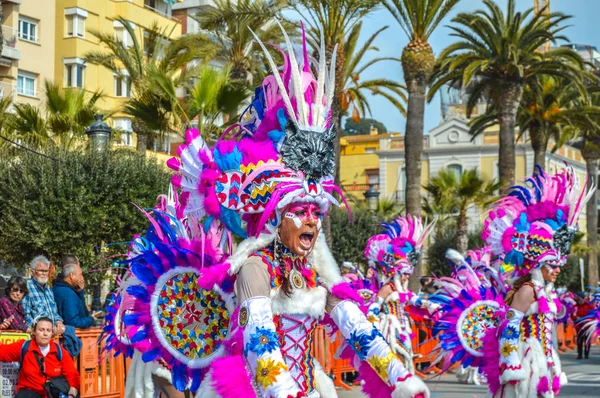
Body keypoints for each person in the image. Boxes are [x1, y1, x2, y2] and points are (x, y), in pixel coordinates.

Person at [108, 23, 430, 398]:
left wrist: (401, 378)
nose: (311, 219)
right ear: (275, 220)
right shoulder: (255, 267)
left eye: (315, 212)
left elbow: (355, 326)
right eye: (300, 211)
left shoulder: (309, 273)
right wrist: (283, 390)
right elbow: (259, 340)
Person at [430, 167, 589, 398]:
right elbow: (508, 329)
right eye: (552, 265)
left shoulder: (540, 290)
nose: (557, 270)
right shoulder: (527, 290)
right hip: (525, 367)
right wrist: (512, 365)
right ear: (538, 264)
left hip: (541, 363)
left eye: (558, 265)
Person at [363, 216, 439, 374]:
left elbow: (416, 300)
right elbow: (375, 307)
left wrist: (434, 306)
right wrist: (373, 323)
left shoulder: (403, 291)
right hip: (388, 328)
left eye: (407, 274)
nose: (406, 277)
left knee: (407, 357)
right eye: (404, 274)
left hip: (403, 327)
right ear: (397, 272)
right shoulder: (388, 288)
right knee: (397, 358)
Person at [0, 316, 80, 398]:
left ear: (52, 333)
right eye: (41, 330)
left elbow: (73, 376)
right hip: (30, 392)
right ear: (34, 332)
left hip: (53, 393)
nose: (45, 333)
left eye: (48, 330)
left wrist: (71, 394)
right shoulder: (24, 347)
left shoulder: (59, 351)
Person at [53, 255, 101, 329]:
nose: (82, 278)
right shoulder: (69, 294)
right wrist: (91, 319)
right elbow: (73, 322)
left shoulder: (57, 287)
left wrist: (80, 292)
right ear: (72, 275)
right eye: (80, 274)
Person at [22, 256, 65, 336]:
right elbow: (25, 315)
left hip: (52, 336)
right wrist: (44, 329)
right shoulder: (26, 288)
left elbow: (54, 312)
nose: (44, 274)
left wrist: (59, 322)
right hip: (37, 337)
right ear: (32, 272)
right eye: (41, 271)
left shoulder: (48, 289)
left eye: (46, 271)